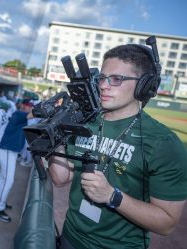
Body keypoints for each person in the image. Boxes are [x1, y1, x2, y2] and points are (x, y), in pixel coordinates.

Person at [49, 39, 187, 248]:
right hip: (70, 238)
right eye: (102, 78)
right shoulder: (87, 123)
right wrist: (55, 137)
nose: (103, 85)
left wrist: (113, 196)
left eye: (116, 79)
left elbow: (166, 223)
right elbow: (61, 178)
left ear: (143, 85)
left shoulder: (164, 144)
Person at [0, 99, 33, 222]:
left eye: (30, 106)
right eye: (28, 106)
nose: (29, 108)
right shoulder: (19, 113)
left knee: (4, 178)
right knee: (8, 180)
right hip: (7, 150)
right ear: (23, 106)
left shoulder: (20, 115)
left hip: (9, 150)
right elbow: (33, 114)